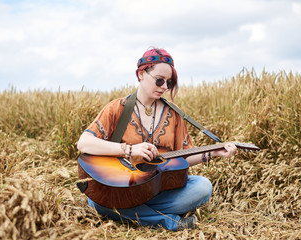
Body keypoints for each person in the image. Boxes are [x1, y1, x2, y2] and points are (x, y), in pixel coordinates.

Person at [77, 47, 238, 231]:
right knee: (98, 198)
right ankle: (168, 221)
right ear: (140, 74)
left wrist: (212, 153)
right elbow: (84, 143)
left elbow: (182, 159)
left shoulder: (174, 114)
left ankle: (127, 211)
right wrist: (129, 149)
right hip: (120, 188)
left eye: (169, 83)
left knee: (202, 187)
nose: (164, 87)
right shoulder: (117, 108)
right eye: (159, 80)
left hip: (157, 190)